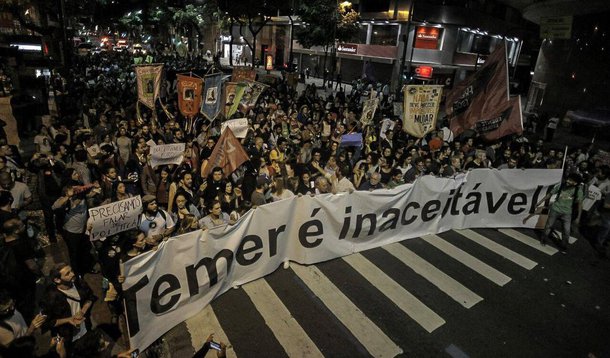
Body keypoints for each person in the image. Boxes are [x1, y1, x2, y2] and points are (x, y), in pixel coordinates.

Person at [41, 263, 97, 348]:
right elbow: (48, 322)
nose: (73, 274)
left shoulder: (79, 283)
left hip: (85, 328)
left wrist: (82, 312)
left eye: (71, 271)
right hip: (67, 337)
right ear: (57, 280)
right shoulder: (50, 297)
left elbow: (90, 297)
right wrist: (69, 320)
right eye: (67, 273)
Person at [536, 173, 584, 252]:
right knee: (548, 226)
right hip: (555, 209)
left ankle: (564, 246)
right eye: (568, 179)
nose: (567, 181)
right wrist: (540, 202)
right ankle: (544, 239)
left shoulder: (578, 191)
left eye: (570, 181)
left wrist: (578, 217)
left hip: (567, 213)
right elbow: (550, 194)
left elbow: (580, 204)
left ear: (575, 183)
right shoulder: (561, 186)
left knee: (566, 231)